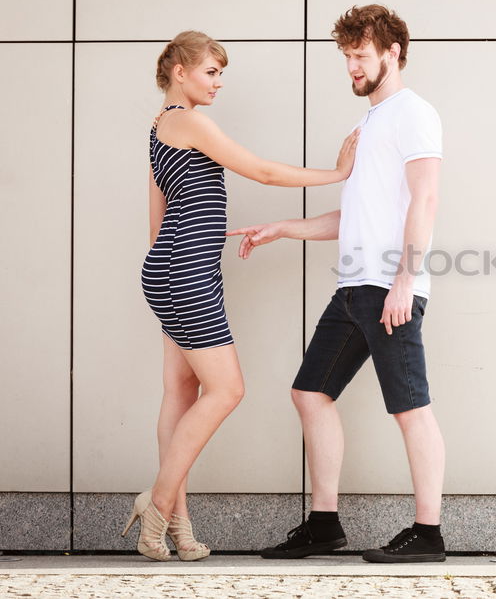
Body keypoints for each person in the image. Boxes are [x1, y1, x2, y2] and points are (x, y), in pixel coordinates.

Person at [122, 30, 358, 561]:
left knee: (180, 395)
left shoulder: (160, 127)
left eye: (221, 73)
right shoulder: (189, 121)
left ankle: (177, 528)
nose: (218, 83)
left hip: (172, 269)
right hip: (184, 273)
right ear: (179, 70)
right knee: (227, 390)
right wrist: (339, 173)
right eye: (211, 72)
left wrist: (175, 270)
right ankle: (157, 502)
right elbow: (263, 171)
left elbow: (156, 214)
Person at [228, 5, 446, 563]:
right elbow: (353, 217)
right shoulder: (367, 124)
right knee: (310, 393)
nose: (351, 67)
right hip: (353, 289)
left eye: (360, 56)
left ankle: (428, 534)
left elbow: (425, 199)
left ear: (392, 53)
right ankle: (324, 524)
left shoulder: (413, 114)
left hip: (389, 288)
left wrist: (405, 279)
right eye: (346, 57)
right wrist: (283, 228)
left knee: (410, 408)